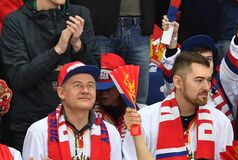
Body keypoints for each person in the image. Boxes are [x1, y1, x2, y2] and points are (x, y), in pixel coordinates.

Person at [22, 61, 129, 160]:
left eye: (91, 85)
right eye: (78, 85)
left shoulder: (110, 132)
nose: (86, 90)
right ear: (61, 92)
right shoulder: (39, 130)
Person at [0, 0, 99, 151]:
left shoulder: (80, 15)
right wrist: (57, 50)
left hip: (76, 123)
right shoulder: (15, 21)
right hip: (30, 120)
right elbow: (19, 78)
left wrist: (78, 45)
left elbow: (94, 73)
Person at [162, 10, 238, 122]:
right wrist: (172, 37)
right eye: (197, 58)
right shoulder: (180, 84)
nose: (204, 64)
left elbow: (236, 55)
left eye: (208, 59)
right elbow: (172, 69)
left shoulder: (223, 81)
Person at [71, 0, 156, 104]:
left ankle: (138, 120)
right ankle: (95, 120)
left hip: (140, 26)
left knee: (138, 100)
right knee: (96, 92)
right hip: (100, 23)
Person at [94, 53, 128, 137]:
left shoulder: (139, 113)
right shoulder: (87, 115)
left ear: (121, 84)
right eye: (99, 88)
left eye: (108, 88)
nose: (103, 93)